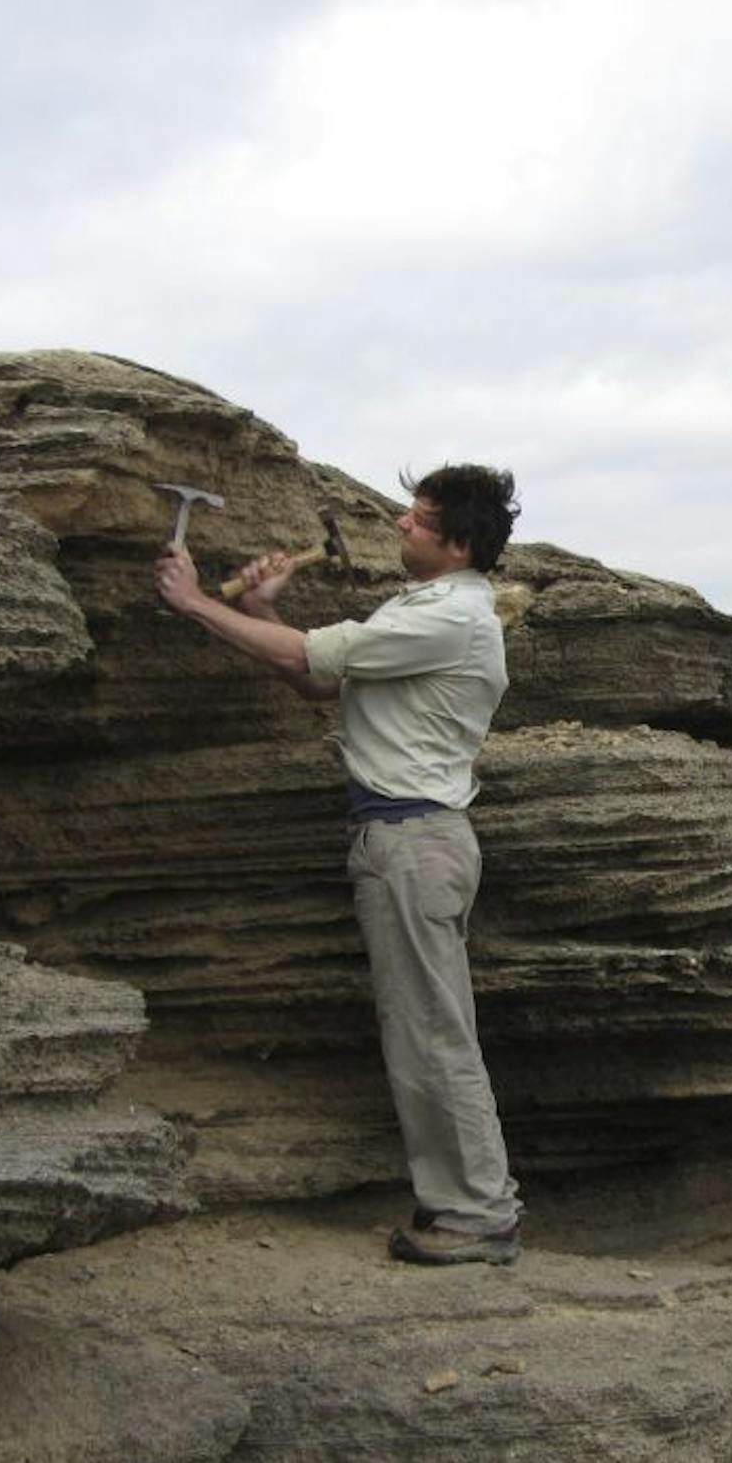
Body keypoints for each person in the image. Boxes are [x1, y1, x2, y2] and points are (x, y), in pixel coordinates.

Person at [153, 465, 523, 1266]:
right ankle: (465, 1207)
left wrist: (195, 605)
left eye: (416, 518)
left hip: (414, 843)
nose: (399, 524)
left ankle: (479, 1215)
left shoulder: (452, 619)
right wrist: (256, 609)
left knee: (433, 1035)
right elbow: (320, 681)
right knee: (424, 1031)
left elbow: (315, 652)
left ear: (456, 542)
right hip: (406, 842)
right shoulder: (425, 610)